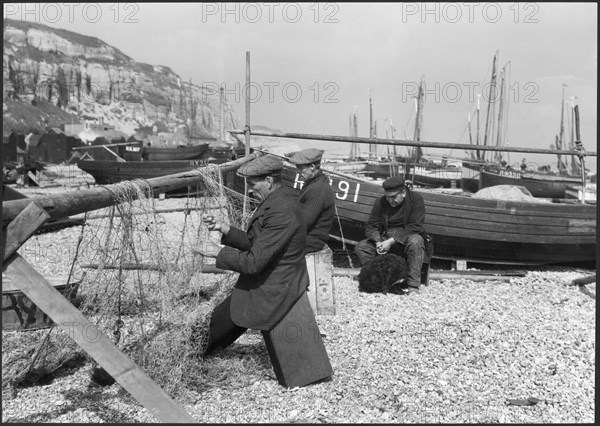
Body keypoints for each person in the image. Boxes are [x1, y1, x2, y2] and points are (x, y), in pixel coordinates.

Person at [354, 176, 426, 293]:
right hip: (385, 239)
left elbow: (415, 226)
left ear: (403, 192)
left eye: (393, 197)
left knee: (416, 241)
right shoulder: (381, 202)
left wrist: (391, 241)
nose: (390, 201)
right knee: (362, 247)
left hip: (407, 239)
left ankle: (413, 284)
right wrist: (378, 242)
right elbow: (371, 226)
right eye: (388, 197)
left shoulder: (416, 200)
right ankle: (375, 278)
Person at [288, 148, 335, 254]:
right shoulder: (314, 184)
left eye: (300, 168)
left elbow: (303, 222)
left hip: (310, 241)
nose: (298, 172)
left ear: (312, 167)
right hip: (305, 239)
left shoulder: (318, 190)